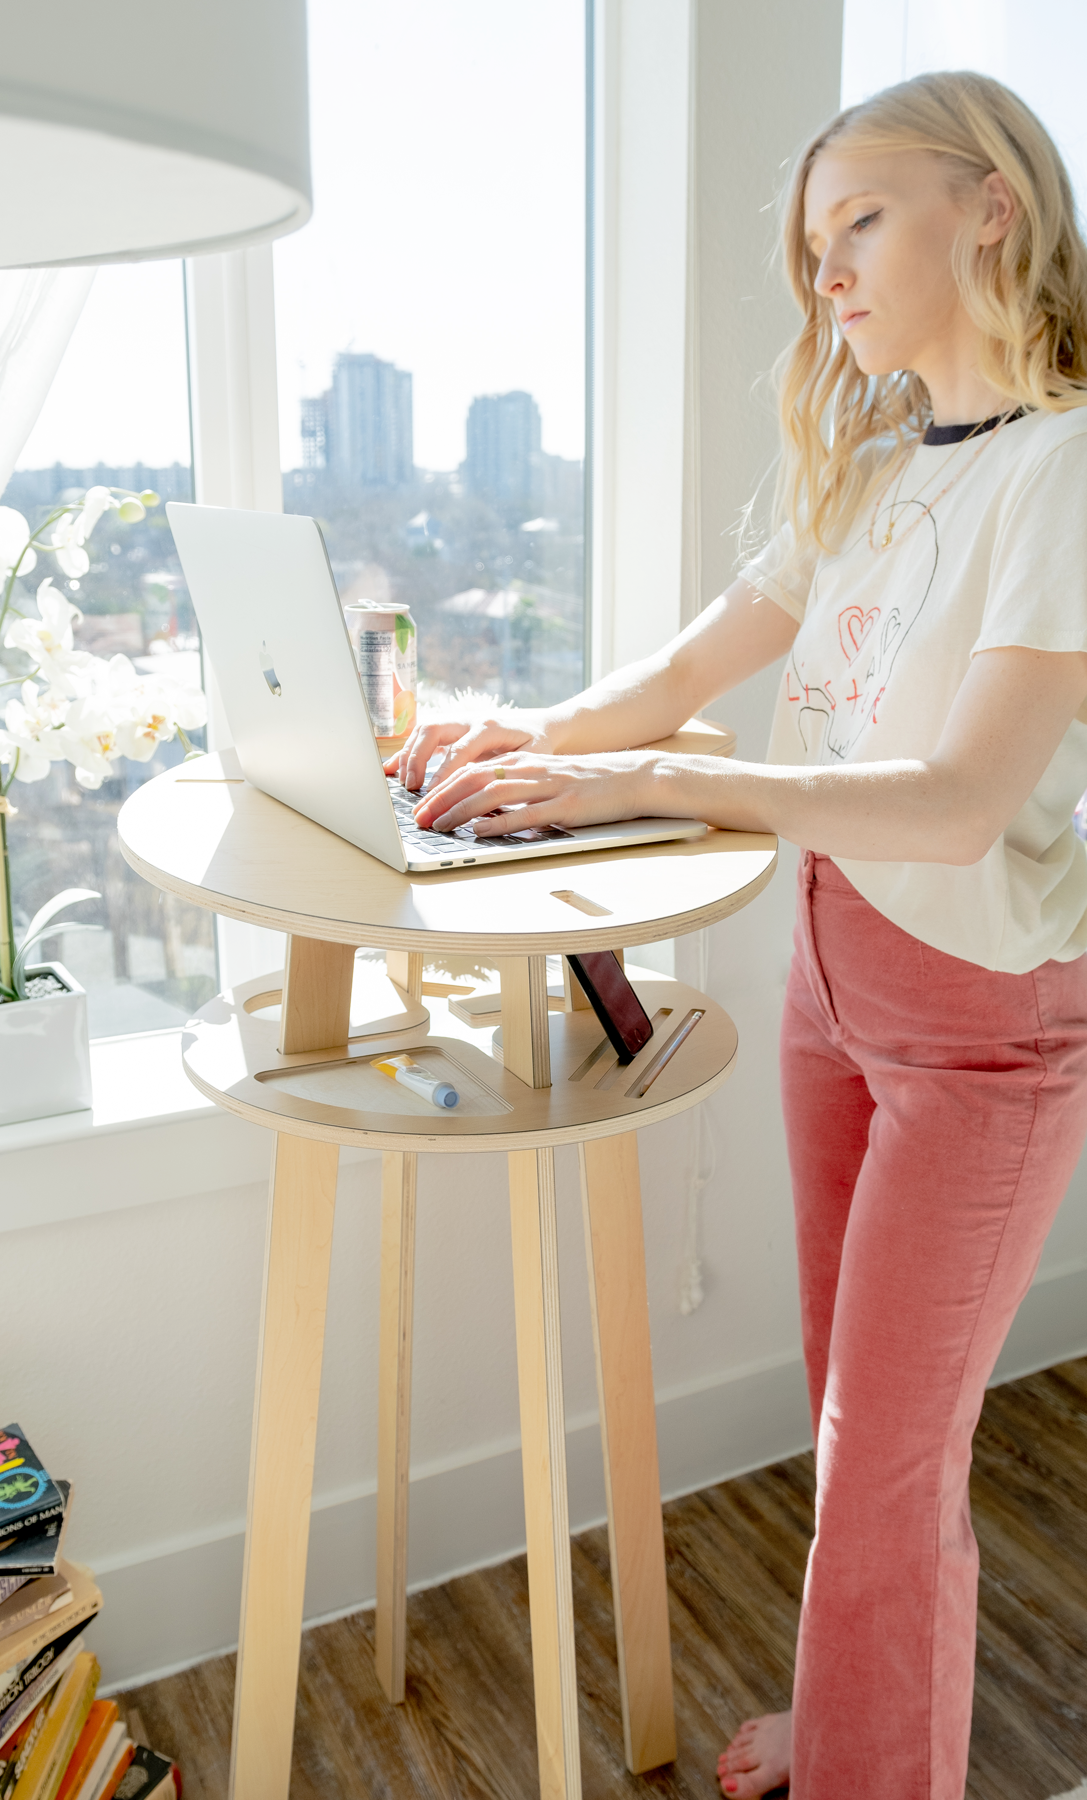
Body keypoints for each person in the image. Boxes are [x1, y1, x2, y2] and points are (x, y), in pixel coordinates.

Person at [386, 68, 1087, 1800]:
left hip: (990, 1017)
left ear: (987, 205)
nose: (828, 270)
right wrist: (528, 740)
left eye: (860, 220)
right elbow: (699, 663)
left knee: (883, 1447)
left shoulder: (1066, 470)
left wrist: (658, 785)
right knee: (845, 1394)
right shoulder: (867, 455)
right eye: (811, 243)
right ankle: (866, 1720)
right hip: (837, 976)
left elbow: (954, 801)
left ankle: (870, 1763)